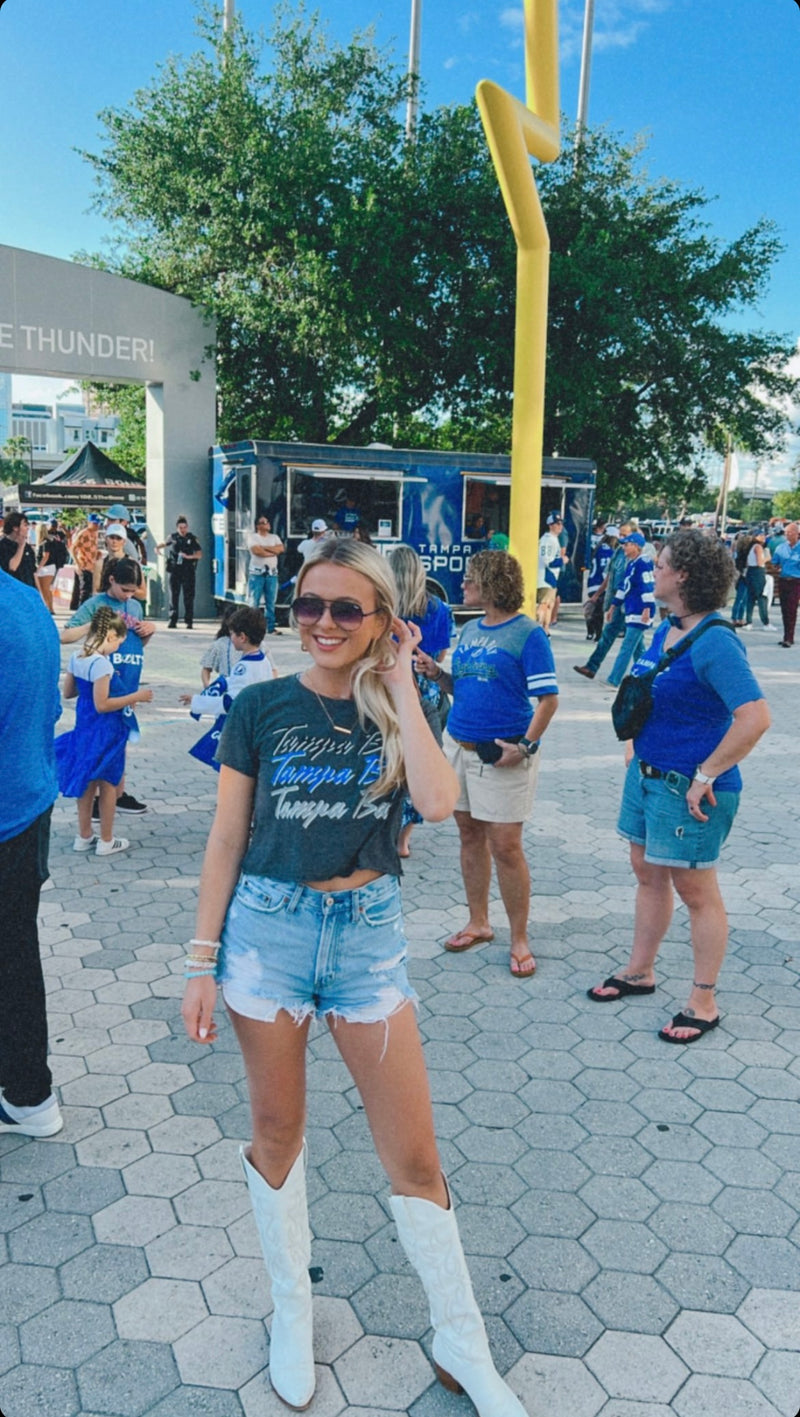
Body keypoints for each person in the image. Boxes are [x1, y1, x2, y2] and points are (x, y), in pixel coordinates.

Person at [180, 538, 528, 1417]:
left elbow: (444, 804)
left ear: (381, 620)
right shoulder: (259, 707)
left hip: (368, 939)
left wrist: (404, 679)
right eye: (308, 605)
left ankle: (463, 1342)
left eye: (345, 608)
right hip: (268, 935)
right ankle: (292, 1309)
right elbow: (226, 838)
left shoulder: (403, 704)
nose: (322, 624)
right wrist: (198, 959)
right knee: (276, 1130)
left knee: (413, 1153)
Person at [587, 529, 770, 1042]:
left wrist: (706, 773)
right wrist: (635, 747)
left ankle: (703, 1001)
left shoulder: (715, 640)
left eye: (661, 563)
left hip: (689, 791)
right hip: (647, 779)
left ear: (683, 575)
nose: (653, 570)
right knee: (647, 874)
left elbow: (754, 718)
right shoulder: (666, 630)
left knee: (696, 891)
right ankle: (640, 971)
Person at [417, 550, 558, 978]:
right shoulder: (471, 627)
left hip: (502, 755)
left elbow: (548, 700)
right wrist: (436, 673)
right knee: (468, 834)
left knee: (506, 847)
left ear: (492, 583)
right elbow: (465, 687)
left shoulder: (528, 634)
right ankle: (479, 922)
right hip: (458, 745)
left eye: (470, 579)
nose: (462, 585)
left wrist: (526, 747)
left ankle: (519, 937)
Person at [0, 571, 64, 1139]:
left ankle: (26, 1093)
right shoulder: (25, 600)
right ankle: (26, 1092)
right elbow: (48, 711)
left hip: (12, 808)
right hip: (29, 799)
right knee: (15, 952)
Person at [56, 607, 154, 857]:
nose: (117, 648)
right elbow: (104, 704)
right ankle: (107, 840)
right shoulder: (102, 665)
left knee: (87, 781)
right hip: (107, 731)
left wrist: (89, 687)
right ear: (110, 636)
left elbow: (68, 692)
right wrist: (136, 696)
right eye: (118, 643)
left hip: (84, 727)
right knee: (109, 784)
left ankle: (84, 834)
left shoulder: (77, 657)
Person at [61, 559, 155, 817]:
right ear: (111, 580)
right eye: (124, 589)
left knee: (119, 741)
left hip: (125, 682)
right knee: (99, 744)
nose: (128, 596)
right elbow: (65, 635)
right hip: (102, 682)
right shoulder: (95, 604)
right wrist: (92, 626)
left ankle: (117, 794)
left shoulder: (134, 606)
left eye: (133, 591)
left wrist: (149, 631)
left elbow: (133, 644)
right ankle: (96, 798)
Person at [387, 544, 455, 858]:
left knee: (388, 761)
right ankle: (404, 839)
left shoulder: (383, 608)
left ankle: (382, 826)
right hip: (427, 688)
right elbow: (440, 654)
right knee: (420, 761)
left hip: (388, 688)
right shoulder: (439, 608)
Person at [182, 607, 275, 769]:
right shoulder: (263, 661)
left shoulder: (244, 667)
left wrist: (197, 701)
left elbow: (230, 702)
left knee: (233, 770)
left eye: (232, 634)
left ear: (242, 637)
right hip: (259, 726)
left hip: (243, 731)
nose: (230, 638)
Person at [574, 522, 634, 679]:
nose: (621, 538)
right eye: (620, 534)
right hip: (617, 600)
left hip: (630, 604)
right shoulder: (619, 552)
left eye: (625, 535)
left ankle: (620, 676)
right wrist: (597, 595)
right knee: (611, 636)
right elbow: (610, 576)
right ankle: (592, 667)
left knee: (632, 642)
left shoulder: (639, 558)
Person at [605, 531, 656, 688]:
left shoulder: (643, 563)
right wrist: (613, 606)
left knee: (627, 647)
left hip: (640, 612)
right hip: (632, 610)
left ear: (636, 546)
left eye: (626, 545)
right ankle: (647, 676)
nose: (624, 548)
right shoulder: (632, 564)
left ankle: (614, 679)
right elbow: (623, 587)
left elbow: (647, 586)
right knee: (638, 649)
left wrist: (647, 608)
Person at [157, 516, 203, 629]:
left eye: (184, 527)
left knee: (188, 596)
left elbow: (199, 554)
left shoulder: (192, 538)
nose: (182, 530)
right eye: (180, 527)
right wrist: (158, 549)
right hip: (174, 570)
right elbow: (162, 544)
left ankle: (189, 621)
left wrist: (189, 556)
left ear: (187, 527)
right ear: (177, 528)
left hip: (188, 570)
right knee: (173, 596)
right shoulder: (172, 537)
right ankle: (173, 620)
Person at [246, 515, 284, 633]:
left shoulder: (274, 537)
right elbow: (257, 551)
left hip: (272, 573)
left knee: (271, 601)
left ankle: (270, 627)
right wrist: (271, 552)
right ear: (258, 526)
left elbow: (281, 549)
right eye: (263, 522)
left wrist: (264, 548)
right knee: (254, 601)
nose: (267, 524)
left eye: (267, 522)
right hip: (257, 573)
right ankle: (252, 628)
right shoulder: (253, 537)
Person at [535, 511, 567, 633]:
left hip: (550, 577)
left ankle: (545, 629)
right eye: (557, 524)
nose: (560, 526)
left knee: (549, 605)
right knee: (544, 604)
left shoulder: (552, 539)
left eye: (561, 524)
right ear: (551, 525)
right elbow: (547, 561)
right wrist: (562, 560)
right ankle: (538, 626)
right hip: (546, 577)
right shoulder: (548, 540)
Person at [770, 521, 800, 648]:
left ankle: (789, 637)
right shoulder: (781, 548)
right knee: (784, 609)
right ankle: (786, 636)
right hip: (784, 580)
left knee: (792, 609)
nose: (787, 535)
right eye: (786, 532)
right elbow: (775, 562)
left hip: (796, 581)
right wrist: (777, 568)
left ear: (797, 534)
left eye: (790, 532)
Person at [201, 606, 244, 687]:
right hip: (227, 688)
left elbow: (272, 669)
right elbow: (206, 668)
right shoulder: (221, 644)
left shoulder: (256, 643)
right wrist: (207, 688)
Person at [68, 516, 103, 608]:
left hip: (92, 565)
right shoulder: (83, 533)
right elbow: (72, 548)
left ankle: (76, 607)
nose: (96, 525)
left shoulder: (95, 533)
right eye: (94, 523)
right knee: (85, 590)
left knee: (84, 589)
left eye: (97, 523)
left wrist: (97, 554)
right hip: (84, 564)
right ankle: (81, 609)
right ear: (89, 523)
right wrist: (78, 563)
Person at [742, 530, 773, 632]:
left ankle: (749, 621)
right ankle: (765, 622)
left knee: (750, 598)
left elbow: (747, 562)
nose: (763, 537)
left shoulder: (750, 547)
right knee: (761, 597)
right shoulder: (758, 547)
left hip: (750, 572)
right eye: (761, 535)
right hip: (758, 572)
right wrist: (767, 558)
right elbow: (760, 562)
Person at [0, 512, 37, 587]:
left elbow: (33, 573)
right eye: (25, 525)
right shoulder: (3, 546)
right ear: (15, 528)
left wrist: (38, 593)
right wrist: (21, 547)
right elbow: (12, 568)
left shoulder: (28, 548)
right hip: (12, 591)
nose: (27, 528)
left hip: (28, 591)